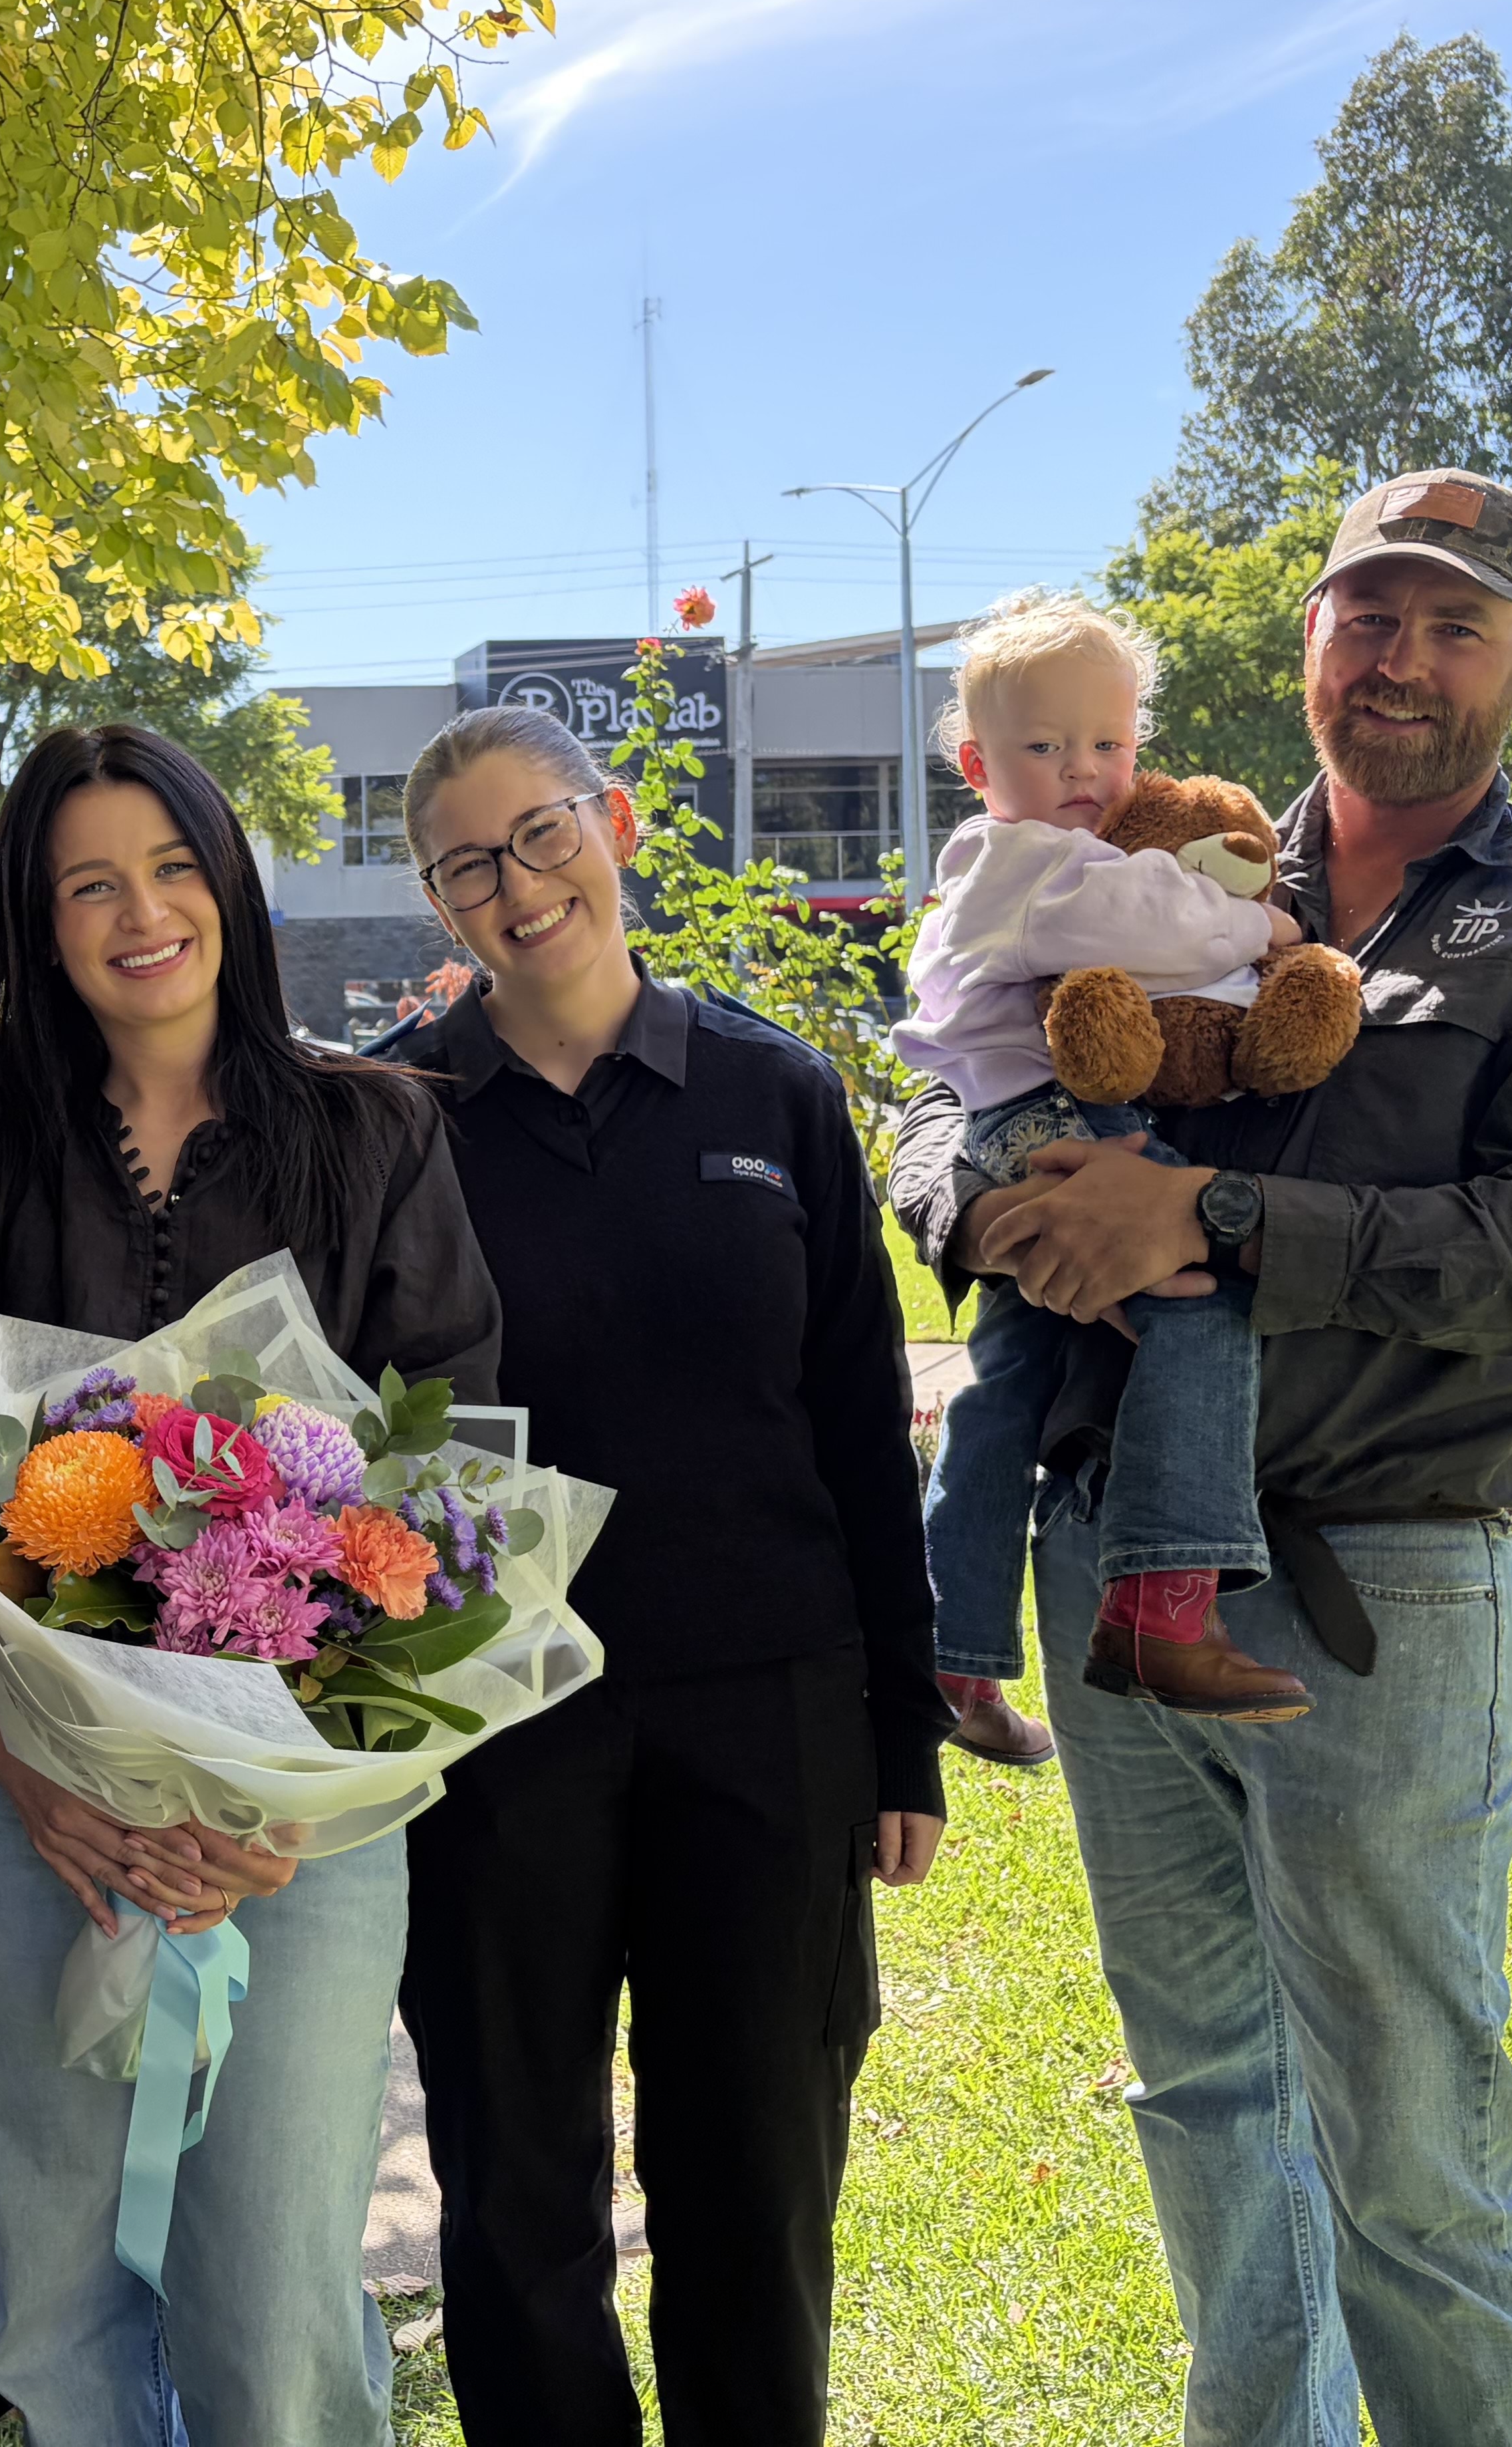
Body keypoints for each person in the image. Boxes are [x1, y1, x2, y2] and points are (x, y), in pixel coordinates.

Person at [892, 470, 1512, 2447]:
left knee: (1407, 2142)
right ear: (1305, 644)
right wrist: (985, 1206)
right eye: (1365, 615)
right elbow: (941, 1097)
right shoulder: (1130, 856)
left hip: (1375, 1592)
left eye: (1451, 623)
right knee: (1198, 2093)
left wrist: (1203, 1226)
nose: (1399, 659)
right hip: (1108, 1567)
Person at [0, 722, 498, 2447]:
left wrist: (286, 1800)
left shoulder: (379, 1131)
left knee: (280, 2291)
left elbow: (443, 1486)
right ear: (35, 918)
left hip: (304, 1807)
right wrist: (32, 1772)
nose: (139, 911)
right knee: (60, 2281)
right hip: (14, 1796)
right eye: (88, 881)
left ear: (230, 879)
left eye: (170, 866)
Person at [378, 705, 947, 2447]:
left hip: (762, 1714)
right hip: (493, 1735)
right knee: (518, 2195)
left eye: (541, 834)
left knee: (753, 2186)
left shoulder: (771, 1090)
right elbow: (361, 1446)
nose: (517, 885)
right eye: (468, 864)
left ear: (611, 819)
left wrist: (902, 1731)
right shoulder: (399, 1124)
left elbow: (863, 1416)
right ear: (436, 899)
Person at [893, 589, 1314, 1743]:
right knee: (1200, 1290)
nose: (1084, 768)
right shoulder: (1015, 857)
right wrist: (1263, 932)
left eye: (1108, 742)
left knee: (1005, 1380)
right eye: (1044, 745)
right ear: (980, 763)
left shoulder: (1039, 852)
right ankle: (1161, 1602)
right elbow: (1152, 925)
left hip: (1011, 1123)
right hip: (1045, 1118)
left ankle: (952, 1650)